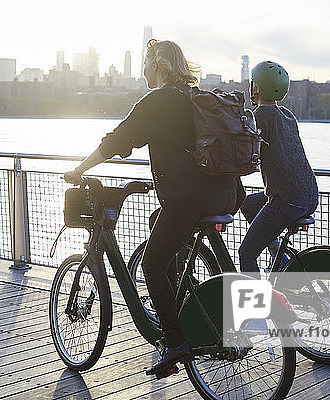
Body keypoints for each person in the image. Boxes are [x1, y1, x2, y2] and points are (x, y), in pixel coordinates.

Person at [64, 39, 240, 377]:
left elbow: (116, 141)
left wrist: (80, 170)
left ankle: (175, 344)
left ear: (157, 66)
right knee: (158, 220)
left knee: (152, 266)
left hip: (189, 199)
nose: (144, 71)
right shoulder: (198, 98)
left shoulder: (158, 101)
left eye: (146, 64)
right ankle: (178, 304)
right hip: (225, 194)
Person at [239, 61, 318, 276]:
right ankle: (278, 255)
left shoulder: (259, 116)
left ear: (256, 87)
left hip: (287, 200)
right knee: (247, 204)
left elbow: (244, 154)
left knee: (246, 253)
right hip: (308, 195)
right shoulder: (287, 115)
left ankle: (256, 308)